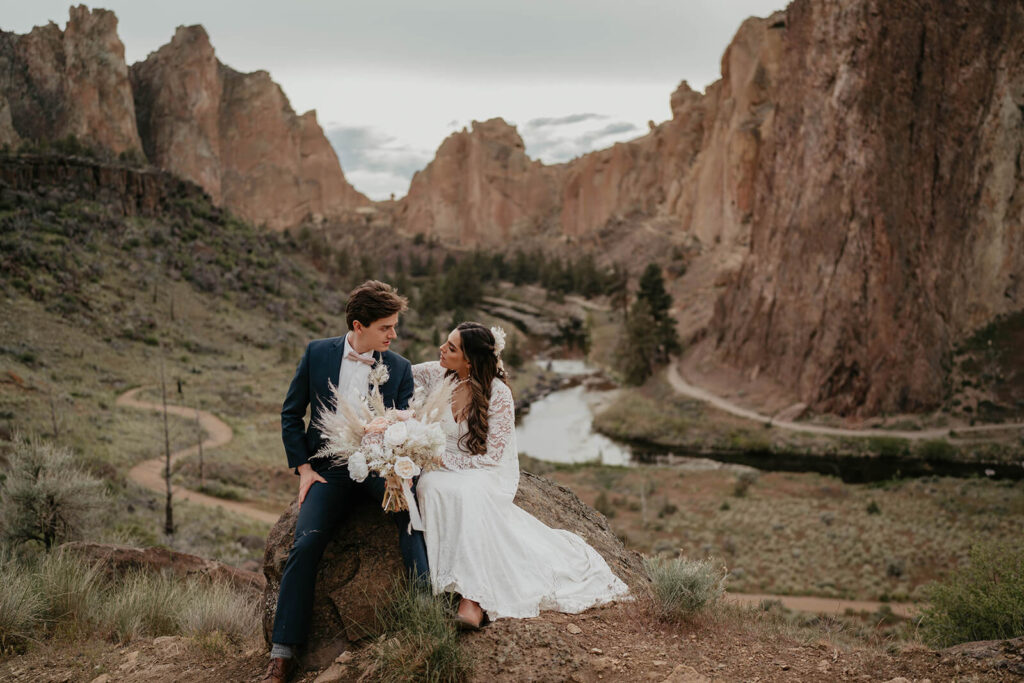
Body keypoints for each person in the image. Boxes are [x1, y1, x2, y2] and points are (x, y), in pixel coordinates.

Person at [412, 322, 629, 629]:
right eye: (445, 344)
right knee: (430, 489)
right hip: (440, 465)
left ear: (470, 360)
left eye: (451, 348)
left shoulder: (498, 395)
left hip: (483, 469)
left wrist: (442, 459)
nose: (441, 350)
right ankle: (445, 581)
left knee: (465, 495)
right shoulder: (436, 373)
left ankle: (472, 599)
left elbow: (491, 457)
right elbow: (399, 372)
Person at [263, 280, 428, 683]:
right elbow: (290, 414)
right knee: (305, 543)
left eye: (393, 326)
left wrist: (394, 470)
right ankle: (282, 655)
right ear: (359, 324)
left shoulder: (401, 369)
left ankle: (425, 621)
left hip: (378, 468)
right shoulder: (317, 353)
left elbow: (403, 429)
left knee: (411, 519)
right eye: (386, 327)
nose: (393, 334)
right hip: (329, 469)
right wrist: (303, 469)